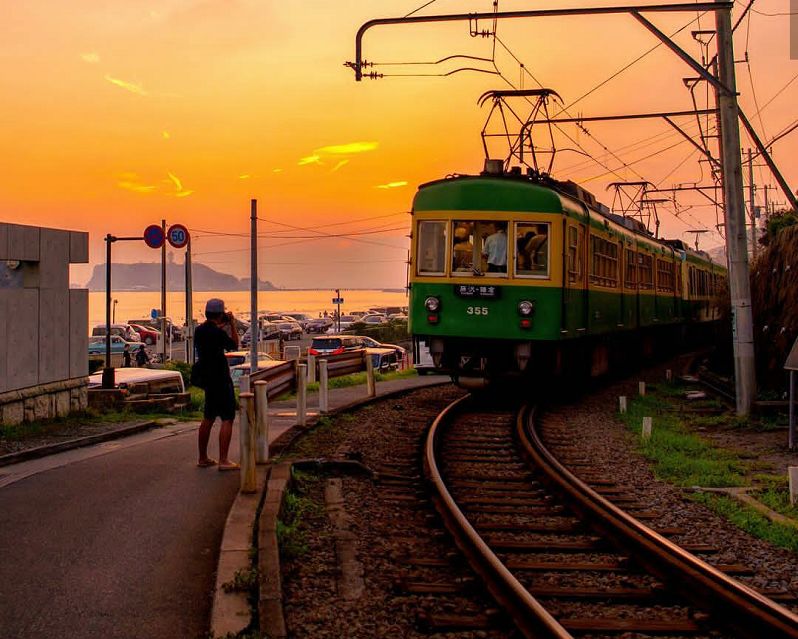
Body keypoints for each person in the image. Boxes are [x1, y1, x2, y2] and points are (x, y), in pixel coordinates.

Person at [194, 298, 240, 471]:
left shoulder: (200, 331)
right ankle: (224, 460)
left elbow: (210, 335)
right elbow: (234, 345)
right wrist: (233, 325)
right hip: (221, 377)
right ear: (220, 314)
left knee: (208, 417)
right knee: (228, 418)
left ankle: (202, 457)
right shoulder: (218, 333)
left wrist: (220, 326)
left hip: (207, 379)